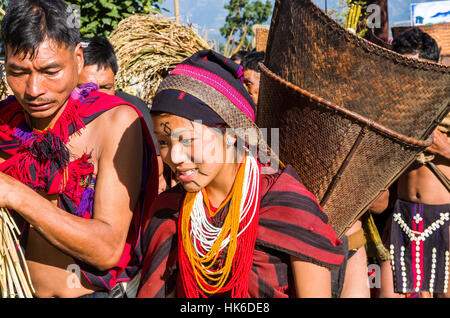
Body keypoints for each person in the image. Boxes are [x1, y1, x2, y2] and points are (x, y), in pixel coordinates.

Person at [136, 50, 346, 298]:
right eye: (163, 142)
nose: (176, 156)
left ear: (231, 133)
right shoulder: (168, 212)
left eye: (187, 140)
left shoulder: (285, 205)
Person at [0, 0, 158, 298]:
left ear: (78, 58)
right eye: (17, 72)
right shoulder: (5, 123)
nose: (33, 89)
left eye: (50, 70)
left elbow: (107, 249)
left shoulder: (115, 122)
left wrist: (17, 194)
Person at [379, 28, 449, 298]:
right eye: (403, 68)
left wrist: (444, 146)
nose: (410, 77)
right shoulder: (390, 108)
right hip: (403, 217)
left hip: (445, 217)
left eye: (417, 67)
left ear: (434, 66)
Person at [78, 36, 167, 194]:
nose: (98, 97)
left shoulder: (132, 110)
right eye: (86, 88)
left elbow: (157, 166)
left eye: (106, 87)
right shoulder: (57, 117)